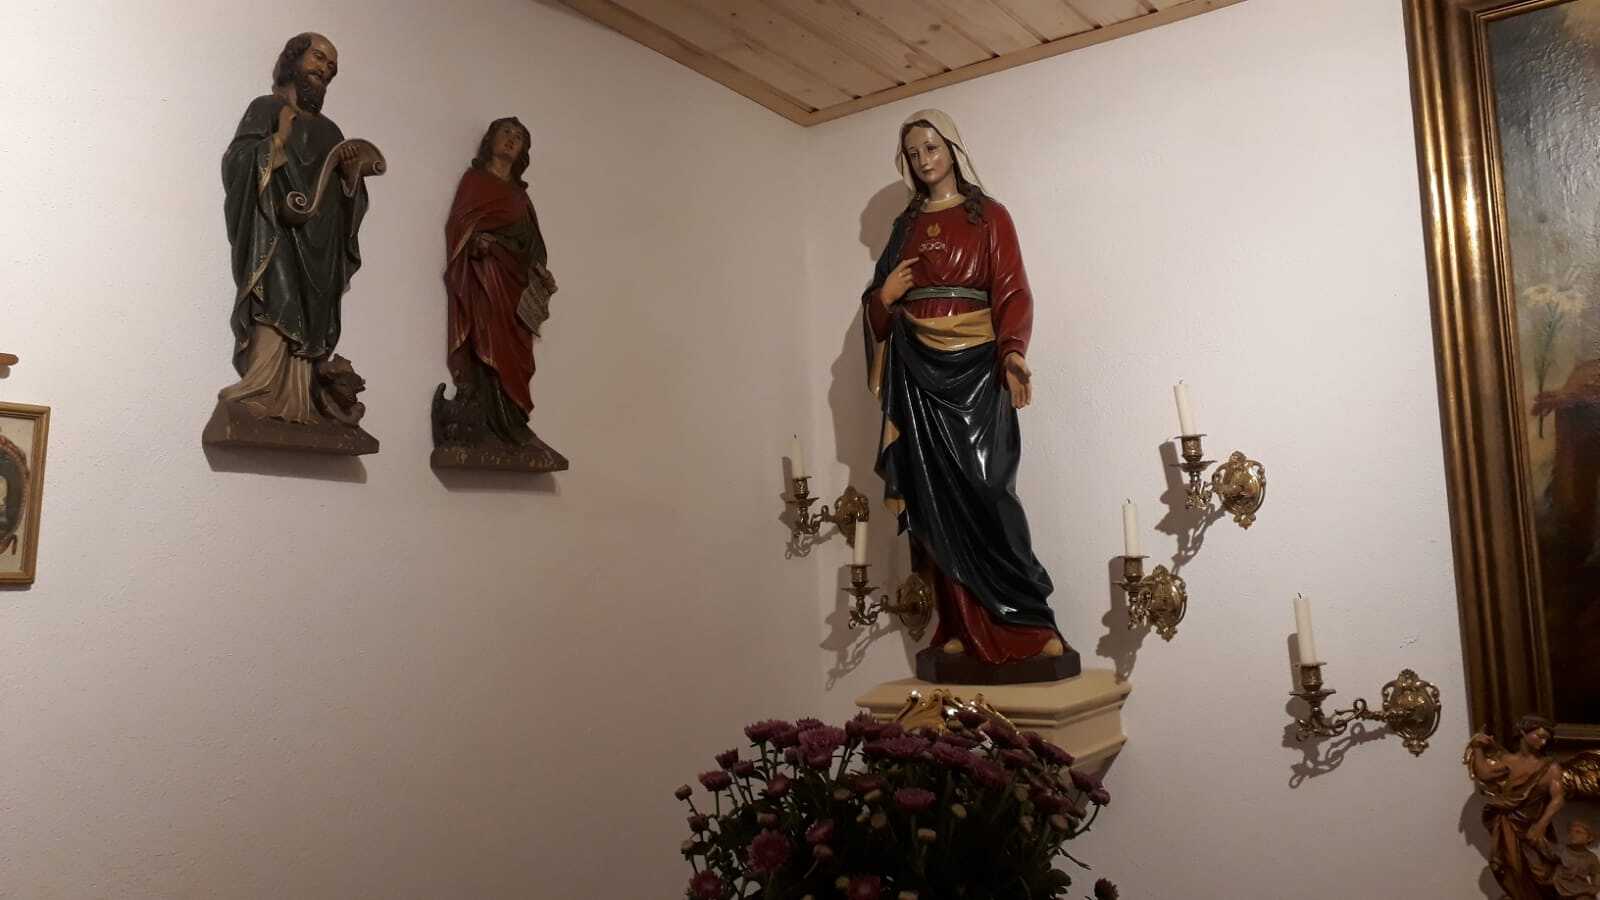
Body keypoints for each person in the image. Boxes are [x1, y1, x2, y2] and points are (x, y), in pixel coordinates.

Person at [861, 109, 1064, 665]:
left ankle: (1028, 621)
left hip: (976, 368)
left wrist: (1013, 352)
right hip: (917, 368)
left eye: (931, 147)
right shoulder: (905, 226)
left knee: (988, 487)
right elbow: (877, 308)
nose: (924, 160)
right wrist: (884, 298)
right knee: (935, 498)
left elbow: (1013, 291)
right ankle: (958, 626)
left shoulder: (990, 216)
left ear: (952, 148)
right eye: (913, 153)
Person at [218, 33, 370, 424]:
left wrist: (350, 177)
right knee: (276, 299)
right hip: (275, 233)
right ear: (294, 59)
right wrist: (278, 140)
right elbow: (237, 162)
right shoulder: (266, 108)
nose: (324, 69)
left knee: (311, 316)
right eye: (318, 58)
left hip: (320, 245)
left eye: (331, 66)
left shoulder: (332, 132)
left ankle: (301, 403)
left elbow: (349, 198)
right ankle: (261, 389)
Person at [440, 117, 555, 447]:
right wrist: (476, 242)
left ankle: (513, 419)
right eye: (506, 132)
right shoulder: (475, 181)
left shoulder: (520, 197)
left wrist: (541, 271)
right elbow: (459, 226)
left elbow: (533, 245)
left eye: (519, 137)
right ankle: (488, 418)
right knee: (487, 341)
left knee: (516, 352)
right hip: (485, 278)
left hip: (515, 285)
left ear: (523, 151)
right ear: (490, 139)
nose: (511, 139)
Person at [1467, 715, 1569, 899]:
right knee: (1509, 867)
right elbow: (1484, 773)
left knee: (1541, 872)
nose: (1543, 742)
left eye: (1546, 738)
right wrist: (1477, 748)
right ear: (1523, 732)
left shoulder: (1549, 767)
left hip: (1533, 827)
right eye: (1539, 736)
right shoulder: (1508, 760)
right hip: (1508, 824)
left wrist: (1541, 825)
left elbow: (1558, 798)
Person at [1555, 820, 1600, 899]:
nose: (1573, 834)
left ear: (1589, 838)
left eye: (1578, 832)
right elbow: (1543, 848)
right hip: (1562, 889)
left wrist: (1596, 887)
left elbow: (1596, 874)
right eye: (1571, 831)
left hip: (1581, 891)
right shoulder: (1561, 850)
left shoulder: (1591, 857)